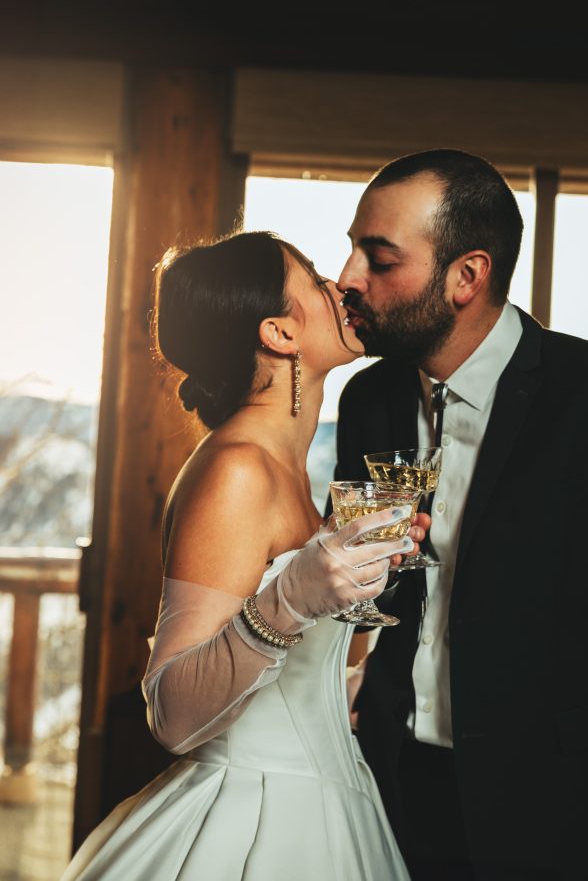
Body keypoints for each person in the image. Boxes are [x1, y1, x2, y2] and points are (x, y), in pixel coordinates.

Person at [333, 150, 588, 881]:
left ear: (467, 275)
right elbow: (372, 598)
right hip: (391, 796)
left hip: (561, 818)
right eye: (353, 250)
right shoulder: (366, 401)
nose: (347, 278)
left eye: (378, 258)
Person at [61, 230, 423, 881]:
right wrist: (289, 599)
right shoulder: (236, 471)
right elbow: (172, 712)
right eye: (314, 279)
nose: (340, 286)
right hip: (254, 818)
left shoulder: (293, 474)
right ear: (279, 333)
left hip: (337, 805)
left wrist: (367, 578)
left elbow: (305, 684)